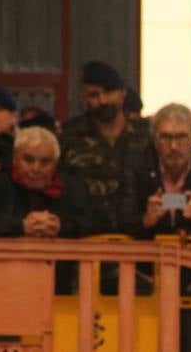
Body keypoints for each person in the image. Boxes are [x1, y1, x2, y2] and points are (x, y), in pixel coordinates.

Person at [118, 102, 191, 352]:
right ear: (155, 139)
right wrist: (145, 219)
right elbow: (122, 218)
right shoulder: (136, 163)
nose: (174, 146)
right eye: (166, 137)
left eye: (181, 137)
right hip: (145, 273)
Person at [59, 61, 151, 234]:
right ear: (84, 98)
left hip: (139, 239)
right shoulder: (68, 136)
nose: (102, 100)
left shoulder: (147, 134)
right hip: (84, 238)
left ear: (123, 93)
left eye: (108, 92)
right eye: (94, 95)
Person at [0, 126, 93, 238]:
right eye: (28, 160)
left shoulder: (74, 188)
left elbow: (94, 222)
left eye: (45, 162)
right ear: (15, 159)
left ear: (56, 163)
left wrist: (60, 225)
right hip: (2, 266)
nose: (36, 168)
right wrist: (20, 226)